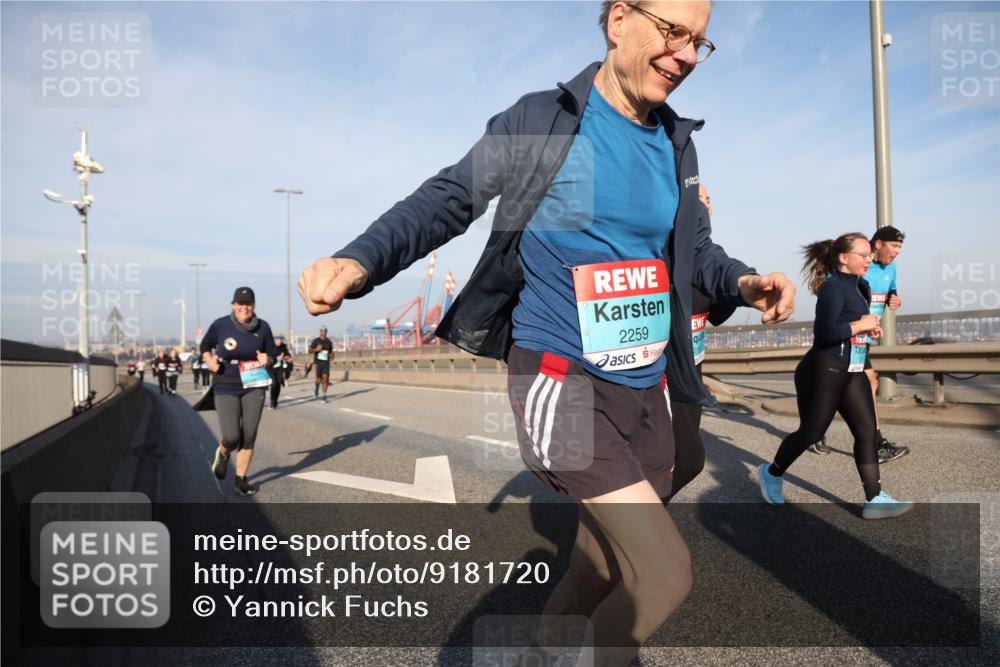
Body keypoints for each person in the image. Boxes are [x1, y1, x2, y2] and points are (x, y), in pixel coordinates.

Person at [298, 2, 796, 662]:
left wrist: (743, 282)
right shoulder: (547, 121)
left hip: (644, 385)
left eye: (699, 44)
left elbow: (694, 251)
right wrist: (361, 259)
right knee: (664, 574)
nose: (684, 56)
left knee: (599, 565)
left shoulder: (676, 142)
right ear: (620, 19)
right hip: (557, 377)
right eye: (673, 32)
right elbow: (450, 197)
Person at [757, 233, 912, 520]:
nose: (868, 260)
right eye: (862, 255)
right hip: (824, 369)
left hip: (853, 369)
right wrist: (859, 324)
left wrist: (868, 329)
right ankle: (772, 472)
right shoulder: (831, 289)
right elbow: (825, 334)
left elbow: (851, 325)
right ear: (843, 258)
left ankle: (874, 498)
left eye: (869, 255)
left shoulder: (862, 287)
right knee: (812, 432)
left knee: (866, 432)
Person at [666, 184, 740, 502]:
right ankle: (634, 526)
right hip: (665, 378)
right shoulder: (665, 258)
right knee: (690, 460)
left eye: (708, 200)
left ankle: (626, 529)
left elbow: (717, 313)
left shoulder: (707, 262)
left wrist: (738, 287)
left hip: (693, 380)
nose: (704, 205)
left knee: (675, 460)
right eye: (696, 199)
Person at [201, 286, 277, 496]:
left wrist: (268, 359)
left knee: (249, 434)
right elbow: (205, 345)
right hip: (226, 381)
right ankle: (224, 454)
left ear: (253, 306)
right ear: (233, 305)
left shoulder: (263, 327)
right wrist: (208, 360)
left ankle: (241, 480)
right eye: (241, 304)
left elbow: (273, 353)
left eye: (249, 304)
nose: (245, 307)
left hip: (254, 383)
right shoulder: (220, 325)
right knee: (232, 436)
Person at [864, 226, 908, 463]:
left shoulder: (891, 268)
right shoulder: (859, 265)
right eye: (895, 245)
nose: (897, 252)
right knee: (870, 383)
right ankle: (876, 445)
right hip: (850, 337)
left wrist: (895, 299)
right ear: (878, 243)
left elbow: (892, 292)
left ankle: (813, 433)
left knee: (842, 391)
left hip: (867, 339)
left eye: (900, 247)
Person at [309, 326, 334, 402]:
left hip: (326, 362)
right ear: (320, 332)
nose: (323, 332)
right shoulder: (316, 341)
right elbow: (310, 350)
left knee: (325, 379)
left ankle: (324, 395)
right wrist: (316, 349)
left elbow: (331, 351)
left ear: (326, 332)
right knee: (318, 380)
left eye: (325, 331)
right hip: (318, 362)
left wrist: (332, 355)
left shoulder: (329, 341)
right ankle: (316, 388)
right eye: (322, 331)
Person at [269, 334, 291, 409]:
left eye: (281, 340)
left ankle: (275, 401)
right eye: (279, 340)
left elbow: (288, 356)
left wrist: (284, 357)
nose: (280, 341)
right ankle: (272, 400)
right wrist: (274, 358)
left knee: (278, 384)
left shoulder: (283, 347)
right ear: (274, 340)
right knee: (274, 383)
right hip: (271, 368)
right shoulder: (269, 347)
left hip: (279, 369)